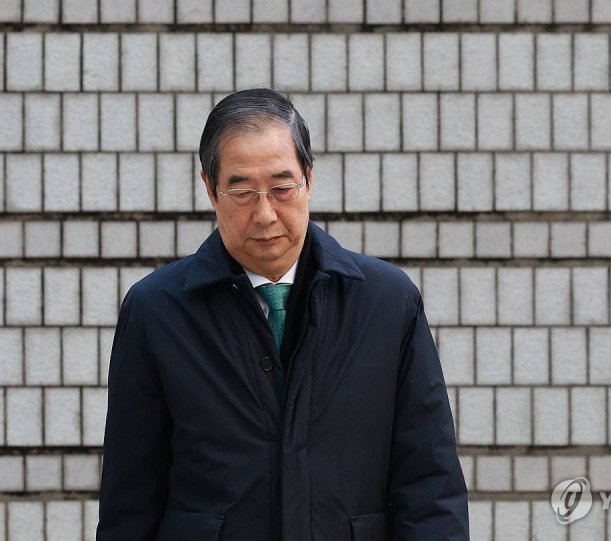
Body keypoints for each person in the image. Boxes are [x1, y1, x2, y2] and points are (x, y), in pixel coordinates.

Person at [96, 88, 469, 540]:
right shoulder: (156, 311)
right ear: (210, 189)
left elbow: (430, 489)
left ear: (308, 179)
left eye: (281, 187)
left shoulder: (388, 303)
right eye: (242, 191)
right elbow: (130, 502)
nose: (265, 214)